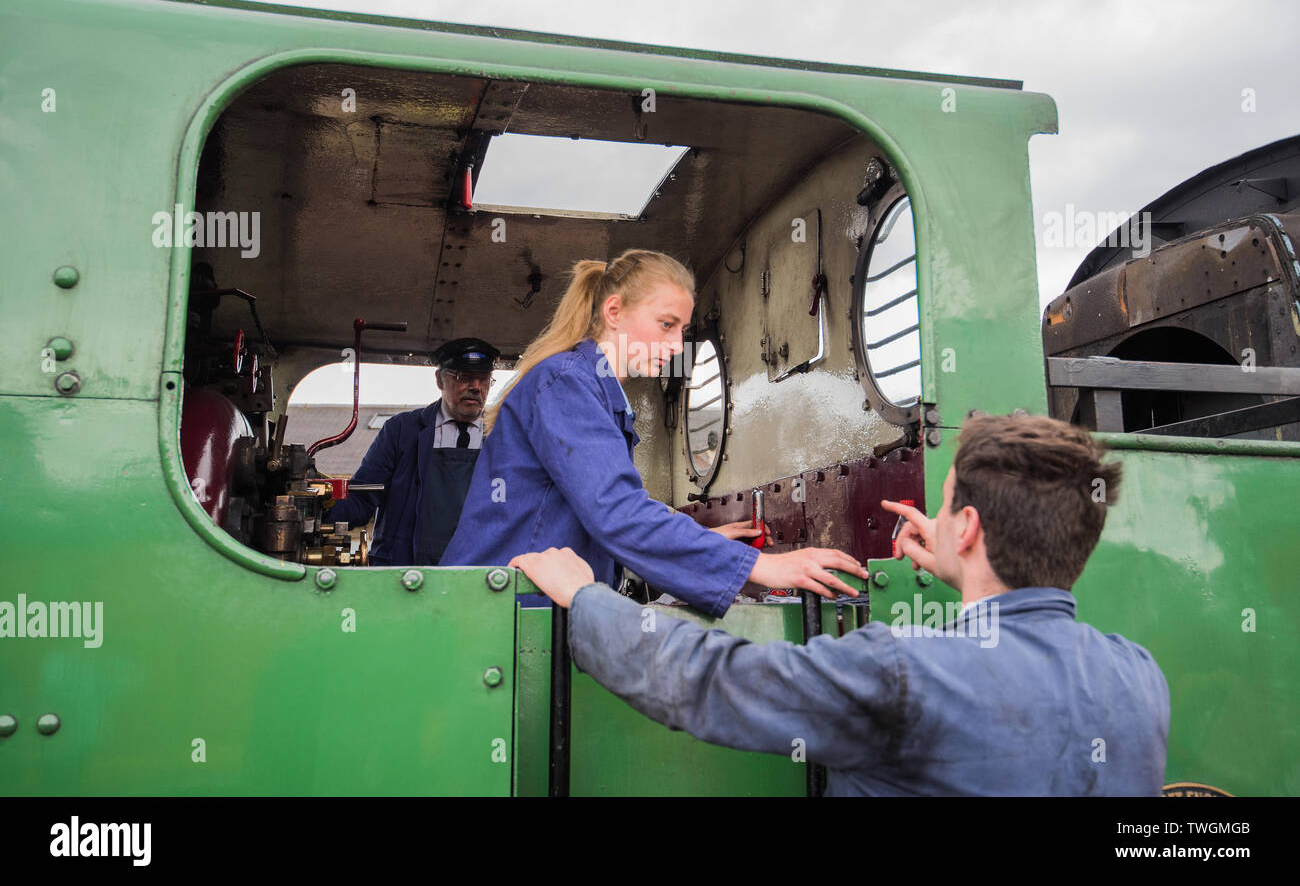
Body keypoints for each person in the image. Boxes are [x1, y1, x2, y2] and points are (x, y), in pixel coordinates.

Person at [513, 413, 1171, 796]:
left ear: (968, 528)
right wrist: (961, 567)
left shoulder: (904, 671)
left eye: (944, 507)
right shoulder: (1139, 678)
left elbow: (711, 682)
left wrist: (586, 598)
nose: (935, 517)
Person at [440, 249, 866, 616]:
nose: (678, 346)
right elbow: (617, 515)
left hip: (520, 609)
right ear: (613, 312)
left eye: (682, 330)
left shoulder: (596, 392)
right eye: (666, 324)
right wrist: (761, 568)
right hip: (496, 609)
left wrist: (702, 540)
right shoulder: (567, 382)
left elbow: (598, 512)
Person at [323, 337, 499, 566]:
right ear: (439, 379)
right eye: (463, 377)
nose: (476, 387)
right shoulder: (401, 431)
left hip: (477, 571)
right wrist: (318, 507)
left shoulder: (503, 435)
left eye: (483, 379)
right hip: (403, 572)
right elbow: (362, 498)